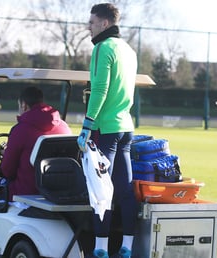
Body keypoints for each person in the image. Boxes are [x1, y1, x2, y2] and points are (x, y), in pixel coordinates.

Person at [0, 86, 71, 239]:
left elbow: (7, 171)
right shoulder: (64, 126)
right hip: (55, 188)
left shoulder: (21, 129)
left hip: (25, 190)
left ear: (23, 105)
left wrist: (6, 153)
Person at [77, 3, 138, 258]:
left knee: (101, 192)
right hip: (126, 128)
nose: (88, 27)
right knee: (125, 190)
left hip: (107, 130)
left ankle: (100, 249)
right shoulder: (128, 50)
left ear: (104, 23)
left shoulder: (103, 48)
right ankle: (127, 247)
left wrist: (87, 125)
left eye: (91, 22)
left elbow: (100, 89)